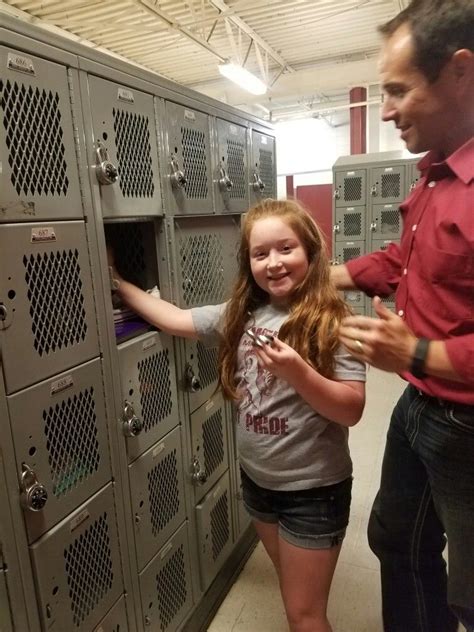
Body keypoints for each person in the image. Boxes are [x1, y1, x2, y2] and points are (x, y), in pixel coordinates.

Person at [110, 199, 366, 632]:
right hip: (259, 484)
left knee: (305, 616)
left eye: (286, 249)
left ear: (311, 252)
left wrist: (297, 373)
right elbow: (174, 319)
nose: (274, 263)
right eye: (260, 253)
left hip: (313, 490)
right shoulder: (242, 316)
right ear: (248, 263)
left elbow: (352, 409)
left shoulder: (335, 321)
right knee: (294, 593)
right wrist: (118, 284)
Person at [331, 1, 474, 630]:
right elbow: (405, 260)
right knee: (398, 541)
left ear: (460, 71)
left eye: (397, 91)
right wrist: (319, 276)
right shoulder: (437, 175)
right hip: (418, 406)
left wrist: (412, 351)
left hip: (467, 425)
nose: (384, 110)